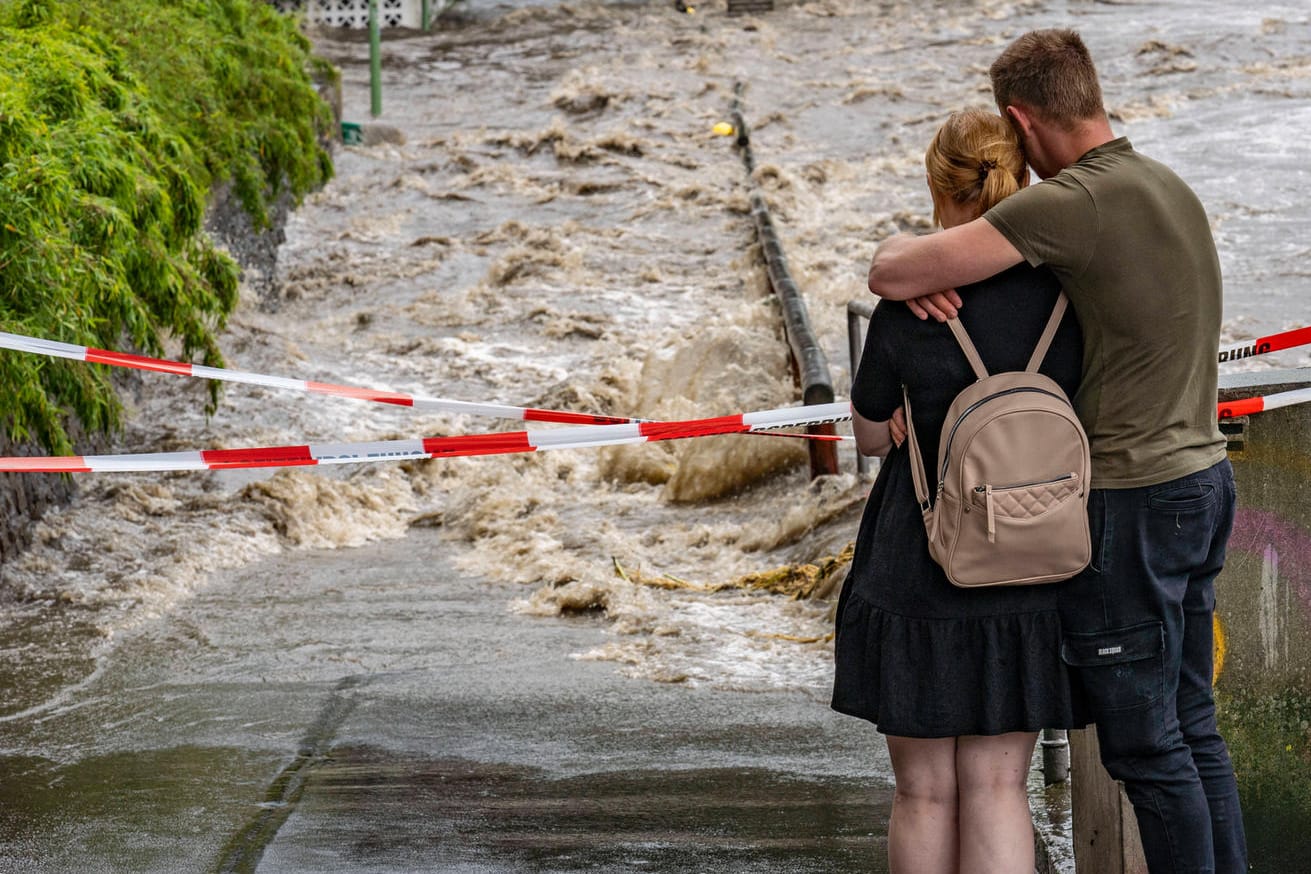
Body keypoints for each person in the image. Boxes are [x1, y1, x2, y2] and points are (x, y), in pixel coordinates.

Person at [866, 29, 1245, 874]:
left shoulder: (1067, 202)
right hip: (1203, 478)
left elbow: (894, 275)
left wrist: (903, 263)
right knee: (1194, 730)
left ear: (1019, 119)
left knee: (1149, 751)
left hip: (1133, 499)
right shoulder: (1164, 184)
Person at [831, 108, 1086, 874]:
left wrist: (907, 407)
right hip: (1032, 560)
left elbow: (871, 438)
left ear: (938, 185)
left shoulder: (911, 299)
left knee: (925, 794)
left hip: (919, 563)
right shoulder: (1069, 295)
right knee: (1000, 786)